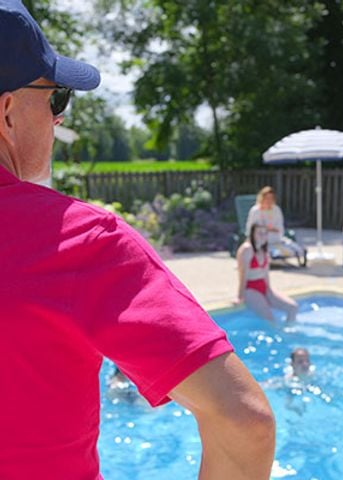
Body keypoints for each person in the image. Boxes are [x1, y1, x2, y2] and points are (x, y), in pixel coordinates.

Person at [0, 2, 275, 479]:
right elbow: (243, 420)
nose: (57, 119)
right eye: (55, 99)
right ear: (6, 112)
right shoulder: (77, 241)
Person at [236, 223, 298, 322]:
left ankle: (289, 330)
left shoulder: (263, 250)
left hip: (264, 288)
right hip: (250, 290)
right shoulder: (247, 249)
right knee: (271, 320)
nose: (263, 236)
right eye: (259, 233)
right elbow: (243, 274)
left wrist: (270, 292)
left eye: (265, 233)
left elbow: (266, 275)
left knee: (293, 308)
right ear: (252, 234)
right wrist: (240, 296)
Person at [245, 185, 307, 264]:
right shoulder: (255, 211)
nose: (269, 201)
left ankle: (297, 252)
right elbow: (252, 228)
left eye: (271, 198)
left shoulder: (276, 210)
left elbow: (279, 228)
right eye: (266, 198)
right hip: (259, 239)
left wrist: (268, 229)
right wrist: (266, 229)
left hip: (275, 238)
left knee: (290, 246)